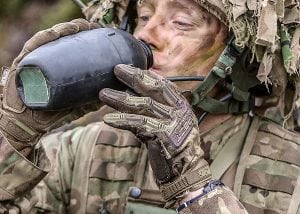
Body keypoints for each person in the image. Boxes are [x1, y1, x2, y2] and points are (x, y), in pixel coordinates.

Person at [0, 0, 299, 213]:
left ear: (239, 57)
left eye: (181, 22)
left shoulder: (291, 172)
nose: (145, 35)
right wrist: (13, 135)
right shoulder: (82, 151)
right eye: (143, 17)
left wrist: (192, 186)